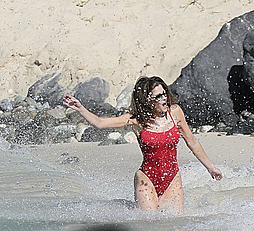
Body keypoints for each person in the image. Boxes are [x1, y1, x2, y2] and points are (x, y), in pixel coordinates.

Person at [63, 76, 222, 213]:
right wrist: (80, 108)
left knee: (175, 224)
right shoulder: (136, 120)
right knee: (150, 224)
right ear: (148, 100)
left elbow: (192, 142)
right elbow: (100, 123)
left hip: (173, 178)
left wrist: (210, 167)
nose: (164, 99)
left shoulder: (175, 112)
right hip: (147, 179)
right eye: (159, 96)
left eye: (165, 93)